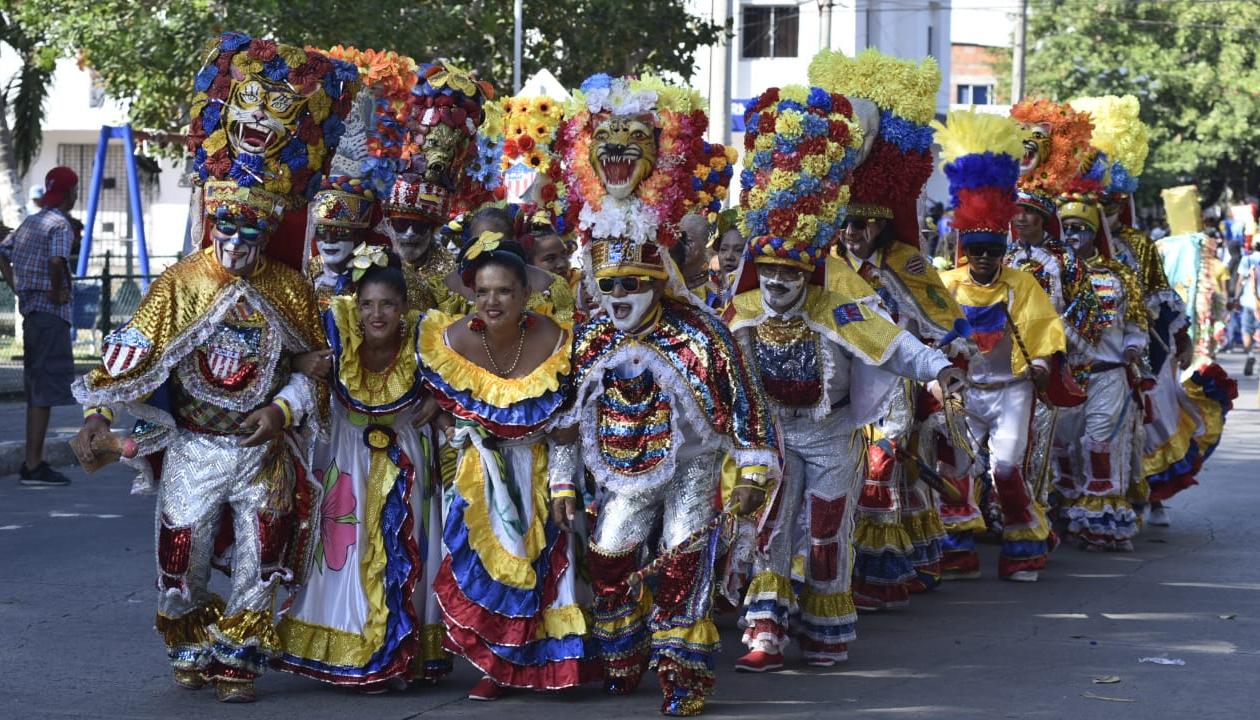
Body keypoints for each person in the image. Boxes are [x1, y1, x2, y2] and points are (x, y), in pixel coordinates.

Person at [69, 33, 358, 703]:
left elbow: (315, 368)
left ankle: (240, 657)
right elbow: (132, 354)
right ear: (212, 216)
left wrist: (280, 408)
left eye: (253, 231)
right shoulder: (180, 282)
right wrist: (97, 415)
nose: (237, 242)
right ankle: (190, 641)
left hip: (262, 452)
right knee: (180, 562)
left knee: (268, 560)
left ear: (269, 230)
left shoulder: (290, 289)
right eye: (227, 226)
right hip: (196, 446)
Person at [551, 73, 780, 717]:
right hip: (622, 470)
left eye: (633, 284)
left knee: (683, 558)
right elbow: (567, 418)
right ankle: (622, 656)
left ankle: (684, 674)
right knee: (609, 556)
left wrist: (751, 478)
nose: (619, 298)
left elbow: (747, 412)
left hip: (691, 465)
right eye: (609, 284)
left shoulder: (701, 333)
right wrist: (564, 486)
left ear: (660, 282)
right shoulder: (590, 335)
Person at [725, 83, 962, 674]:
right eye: (770, 270)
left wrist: (942, 369)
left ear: (810, 271)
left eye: (790, 272)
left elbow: (896, 344)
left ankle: (825, 630)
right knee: (771, 529)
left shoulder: (839, 309)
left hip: (831, 436)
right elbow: (707, 361)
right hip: (773, 435)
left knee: (826, 531)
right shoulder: (745, 312)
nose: (778, 284)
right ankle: (765, 632)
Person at [811, 48, 966, 603]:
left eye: (864, 226)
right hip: (833, 386)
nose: (854, 235)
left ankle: (881, 571)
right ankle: (840, 569)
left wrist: (947, 356)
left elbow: (945, 319)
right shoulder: (823, 267)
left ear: (882, 226)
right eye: (846, 225)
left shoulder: (906, 263)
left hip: (893, 381)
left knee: (882, 466)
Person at [421, 235, 594, 700]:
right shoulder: (449, 343)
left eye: (503, 292)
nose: (491, 301)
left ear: (524, 295)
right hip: (482, 473)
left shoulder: (556, 340)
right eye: (482, 292)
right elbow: (438, 407)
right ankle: (495, 668)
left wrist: (562, 488)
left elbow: (565, 429)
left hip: (541, 468)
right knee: (488, 565)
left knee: (546, 568)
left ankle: (554, 666)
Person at [276, 250, 451, 689]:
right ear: (356, 302)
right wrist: (299, 364)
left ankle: (401, 654)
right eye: (369, 303)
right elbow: (284, 359)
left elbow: (459, 377)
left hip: (408, 456)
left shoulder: (425, 339)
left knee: (403, 548)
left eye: (388, 304)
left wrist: (440, 400)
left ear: (403, 308)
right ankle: (353, 647)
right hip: (347, 457)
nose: (378, 314)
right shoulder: (334, 334)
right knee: (347, 552)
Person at [935, 109, 1067, 583]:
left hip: (1012, 390)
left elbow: (1044, 330)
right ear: (964, 250)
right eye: (977, 251)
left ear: (1003, 248)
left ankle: (1024, 547)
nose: (985, 260)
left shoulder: (1022, 284)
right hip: (963, 393)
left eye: (993, 250)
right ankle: (958, 548)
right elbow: (927, 330)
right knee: (958, 470)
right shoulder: (945, 284)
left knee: (1007, 469)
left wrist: (1038, 365)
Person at [1053, 189, 1148, 551]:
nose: (1073, 235)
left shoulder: (1119, 277)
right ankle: (1070, 510)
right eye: (1066, 227)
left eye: (1080, 227)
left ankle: (1103, 522)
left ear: (1096, 233)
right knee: (1064, 445)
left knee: (1098, 442)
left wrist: (1133, 348)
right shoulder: (1051, 272)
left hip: (1108, 374)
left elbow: (1137, 324)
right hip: (1067, 374)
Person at [0, 165, 79, 486]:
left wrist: (15, 284)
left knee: (37, 389)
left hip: (32, 313)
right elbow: (57, 260)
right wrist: (56, 288)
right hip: (50, 315)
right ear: (70, 193)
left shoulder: (31, 222)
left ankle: (34, 461)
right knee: (45, 389)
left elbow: (2, 251)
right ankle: (33, 464)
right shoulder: (60, 224)